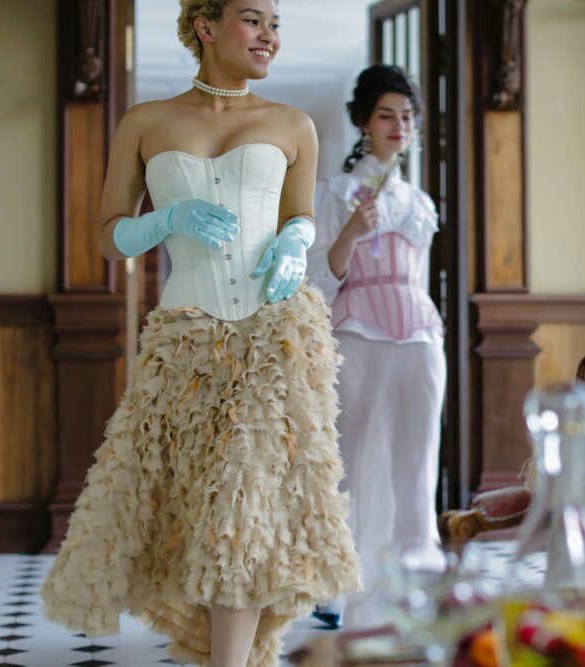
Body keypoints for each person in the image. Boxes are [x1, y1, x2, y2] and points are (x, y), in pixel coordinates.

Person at [40, 2, 361, 666]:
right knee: (196, 512)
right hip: (186, 341)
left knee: (242, 507)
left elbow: (300, 214)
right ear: (206, 28)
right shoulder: (145, 122)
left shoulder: (292, 124)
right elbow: (107, 235)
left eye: (275, 22)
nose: (270, 34)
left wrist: (296, 244)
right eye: (253, 19)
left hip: (273, 337)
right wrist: (166, 220)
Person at [307, 64, 445, 631]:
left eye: (407, 117)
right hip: (356, 335)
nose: (399, 125)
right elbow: (316, 281)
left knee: (417, 467)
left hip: (419, 337)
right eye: (387, 115)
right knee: (352, 462)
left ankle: (415, 588)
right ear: (364, 122)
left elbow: (422, 276)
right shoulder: (335, 194)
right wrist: (350, 234)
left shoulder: (419, 202)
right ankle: (340, 589)